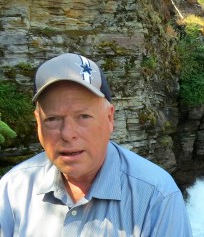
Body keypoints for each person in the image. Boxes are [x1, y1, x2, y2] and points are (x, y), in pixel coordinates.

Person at [0, 53, 193, 236]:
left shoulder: (156, 196)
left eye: (83, 117)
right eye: (52, 119)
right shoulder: (12, 189)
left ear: (109, 118)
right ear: (38, 123)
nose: (67, 134)